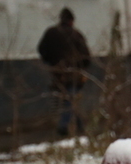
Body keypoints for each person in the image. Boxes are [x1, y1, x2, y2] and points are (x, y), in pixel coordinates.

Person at [37, 7, 91, 136]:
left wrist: (51, 62)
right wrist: (82, 67)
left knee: (67, 99)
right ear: (71, 21)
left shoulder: (51, 33)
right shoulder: (76, 35)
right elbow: (86, 56)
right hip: (74, 74)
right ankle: (64, 126)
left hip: (57, 73)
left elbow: (41, 49)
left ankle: (79, 127)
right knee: (71, 99)